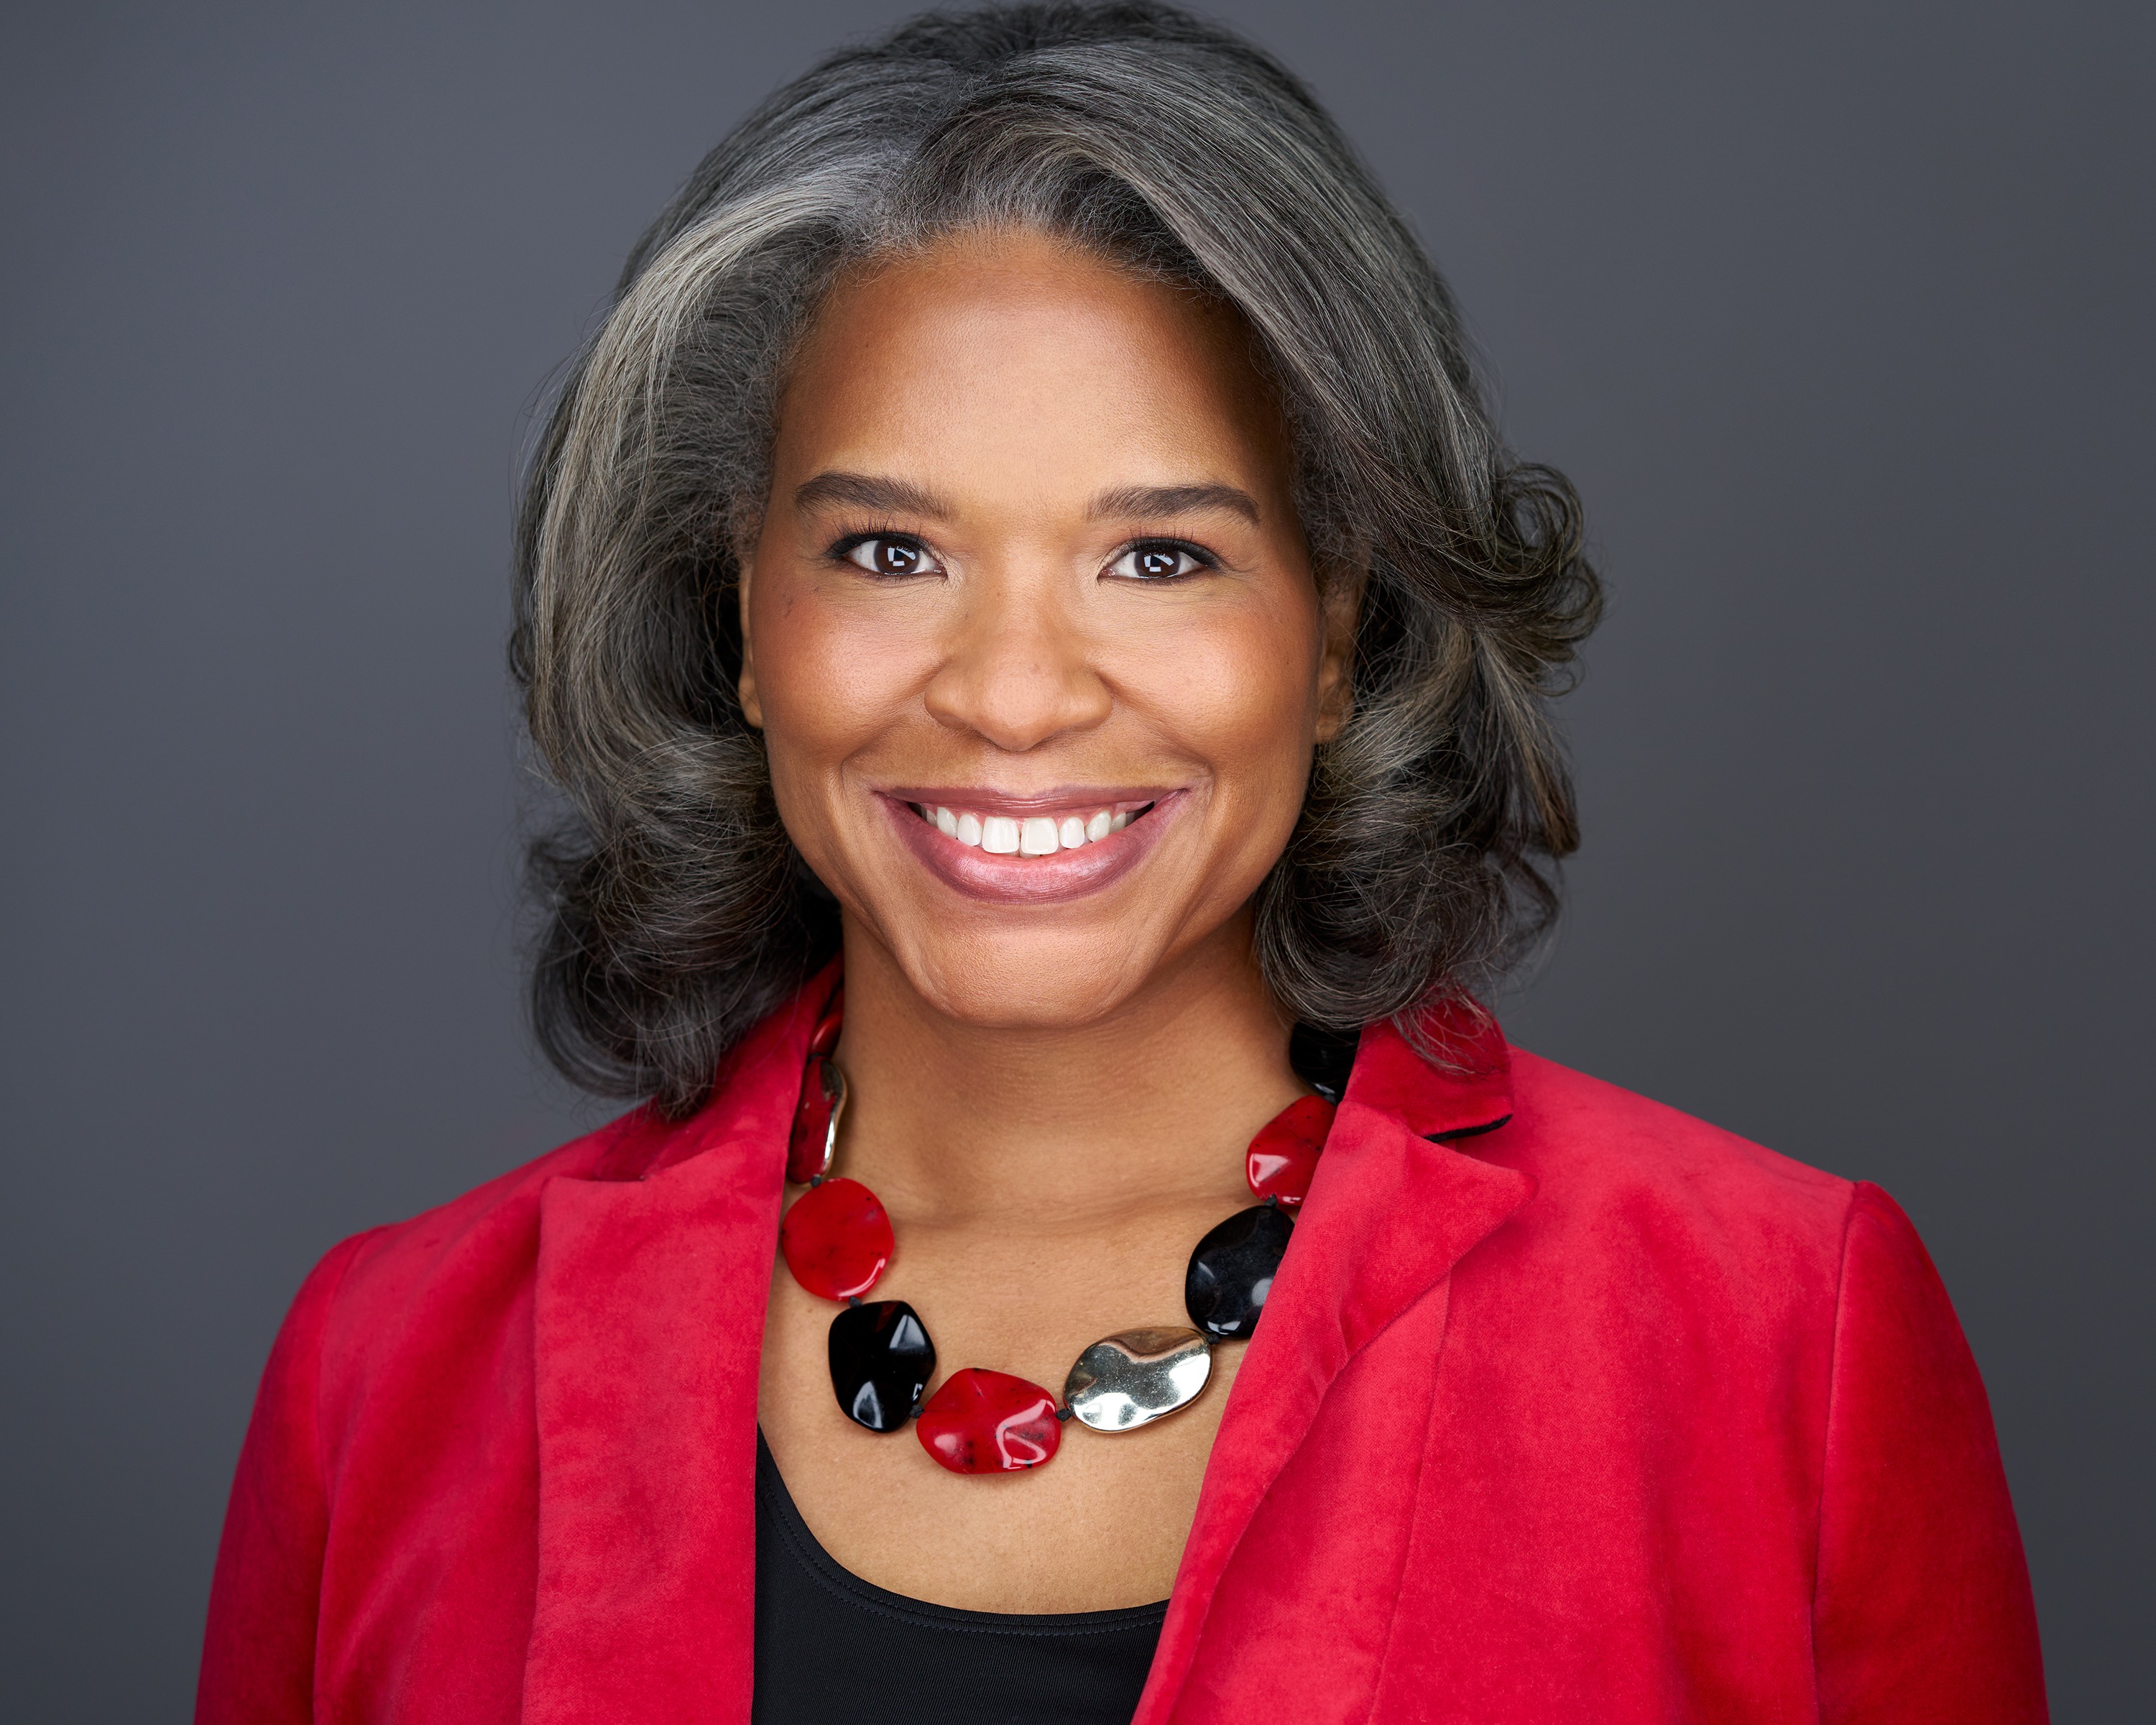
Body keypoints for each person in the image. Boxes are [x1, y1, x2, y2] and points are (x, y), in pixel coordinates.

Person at [196, 5, 2045, 1721]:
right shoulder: (384, 1380)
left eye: (1159, 556)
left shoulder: (1779, 1334)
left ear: (1334, 634)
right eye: (889, 554)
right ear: (742, 618)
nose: (1012, 696)